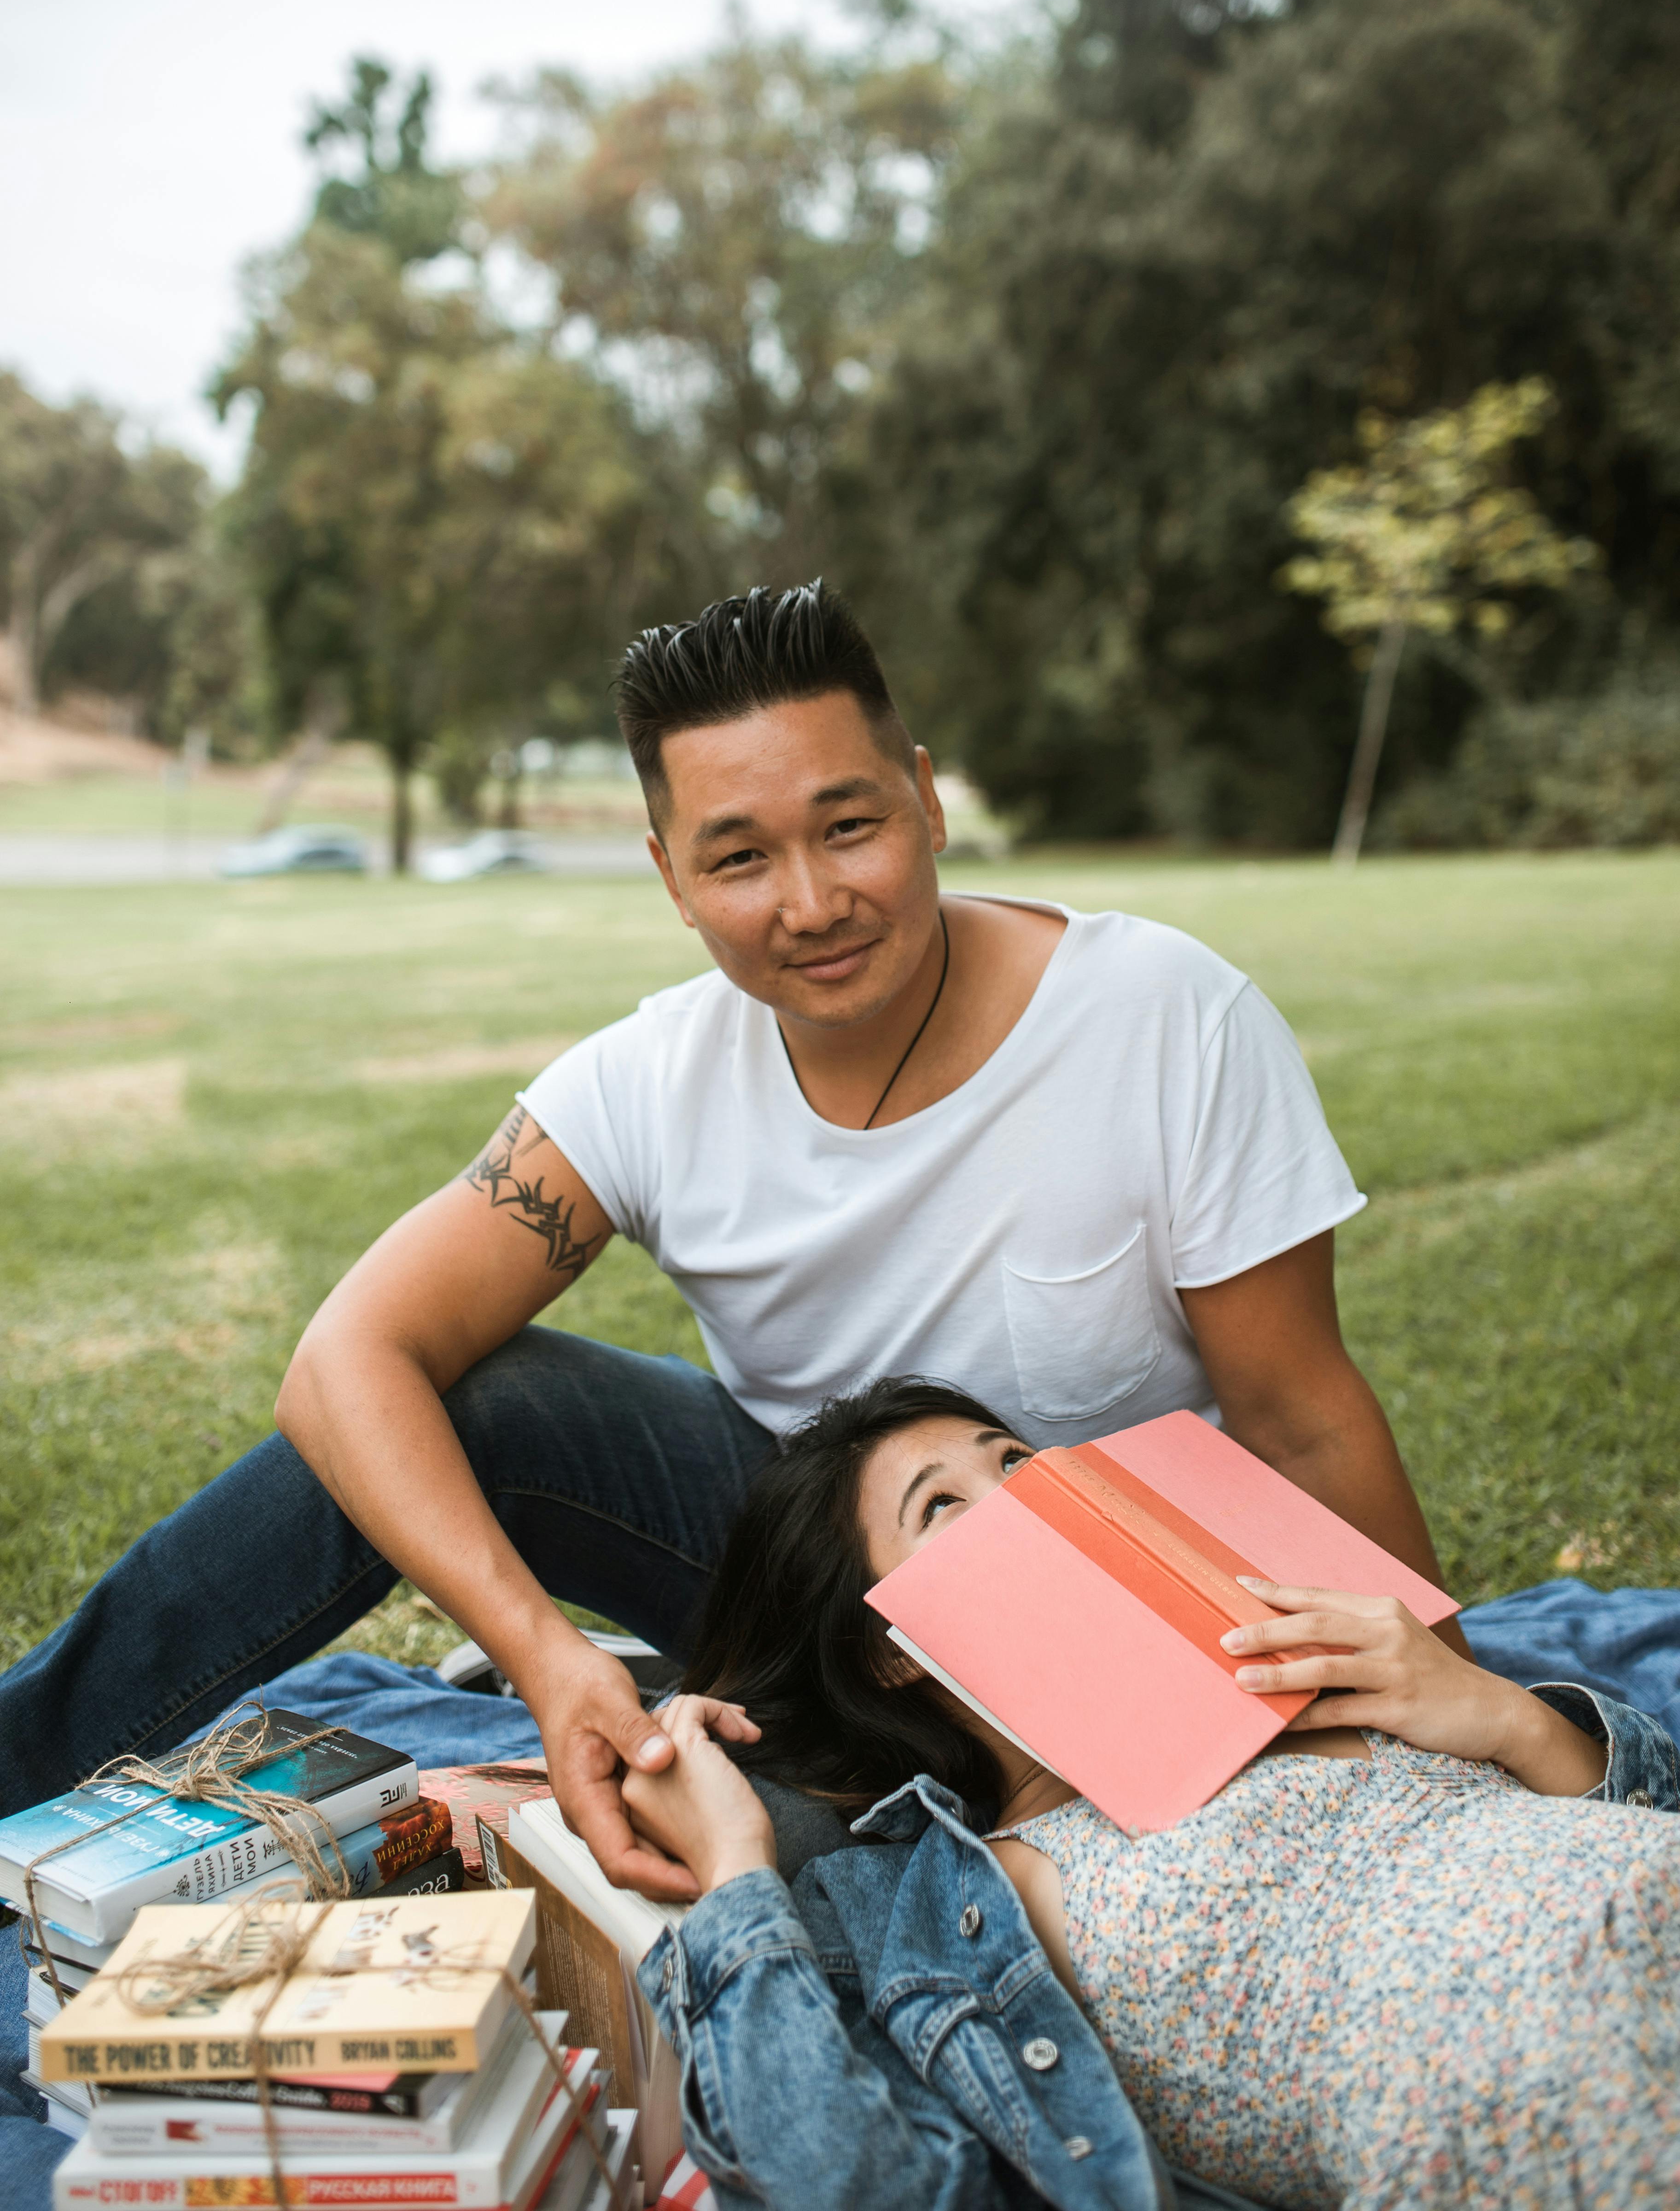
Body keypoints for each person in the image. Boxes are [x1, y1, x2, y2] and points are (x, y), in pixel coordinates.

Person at [0, 582, 1463, 1900]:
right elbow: (342, 1364)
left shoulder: (1164, 1017)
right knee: (471, 1399)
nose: (813, 904)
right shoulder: (647, 1080)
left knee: (794, 1890)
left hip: (1111, 1617)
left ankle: (730, 1733)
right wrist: (542, 1655)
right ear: (670, 877)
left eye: (851, 826)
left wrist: (1450, 1739)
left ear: (929, 803)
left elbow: (1301, 1419)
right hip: (802, 1572)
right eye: (741, 857)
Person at [616, 1379, 1680, 2211]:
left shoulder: (1333, 1674)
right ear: (891, 1649)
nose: (1026, 1498)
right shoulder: (966, 1895)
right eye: (943, 1506)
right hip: (1547, 2098)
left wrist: (1508, 1717)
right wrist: (736, 1879)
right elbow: (860, 2183)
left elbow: (1641, 1817)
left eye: (1021, 1463)